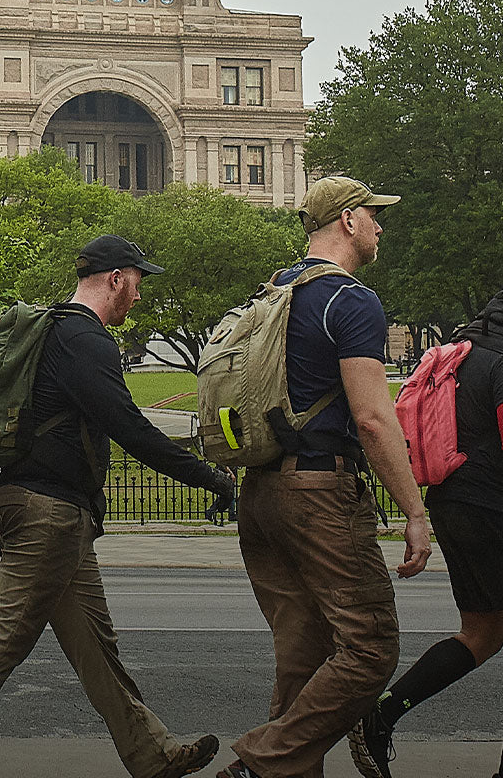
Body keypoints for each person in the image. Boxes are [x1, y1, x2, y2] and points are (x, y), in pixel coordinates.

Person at [0, 235, 237, 778]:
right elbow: (126, 425)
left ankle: (152, 755)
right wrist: (208, 478)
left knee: (94, 644)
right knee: (1, 641)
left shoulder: (55, 331)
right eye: (137, 280)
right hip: (48, 513)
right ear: (114, 278)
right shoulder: (86, 339)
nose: (138, 294)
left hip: (46, 506)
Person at [217, 177, 431, 778]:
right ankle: (259, 765)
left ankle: (283, 772)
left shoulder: (273, 293)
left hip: (259, 492)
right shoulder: (351, 301)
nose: (380, 226)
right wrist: (414, 511)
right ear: (346, 222)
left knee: (303, 650)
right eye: (373, 214)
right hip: (318, 491)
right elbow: (372, 418)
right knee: (369, 647)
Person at [350, 287, 503, 778]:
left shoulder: (462, 356)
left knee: (483, 631)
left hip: (452, 504)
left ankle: (383, 713)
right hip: (492, 507)